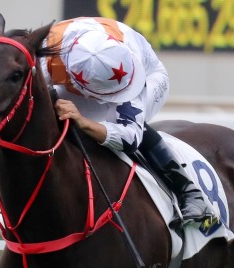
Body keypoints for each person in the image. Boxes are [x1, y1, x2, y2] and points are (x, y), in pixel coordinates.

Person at [41, 17, 218, 228]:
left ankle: (189, 192)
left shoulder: (125, 57)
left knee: (114, 123)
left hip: (150, 76)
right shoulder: (46, 57)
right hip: (80, 78)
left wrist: (83, 122)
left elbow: (129, 137)